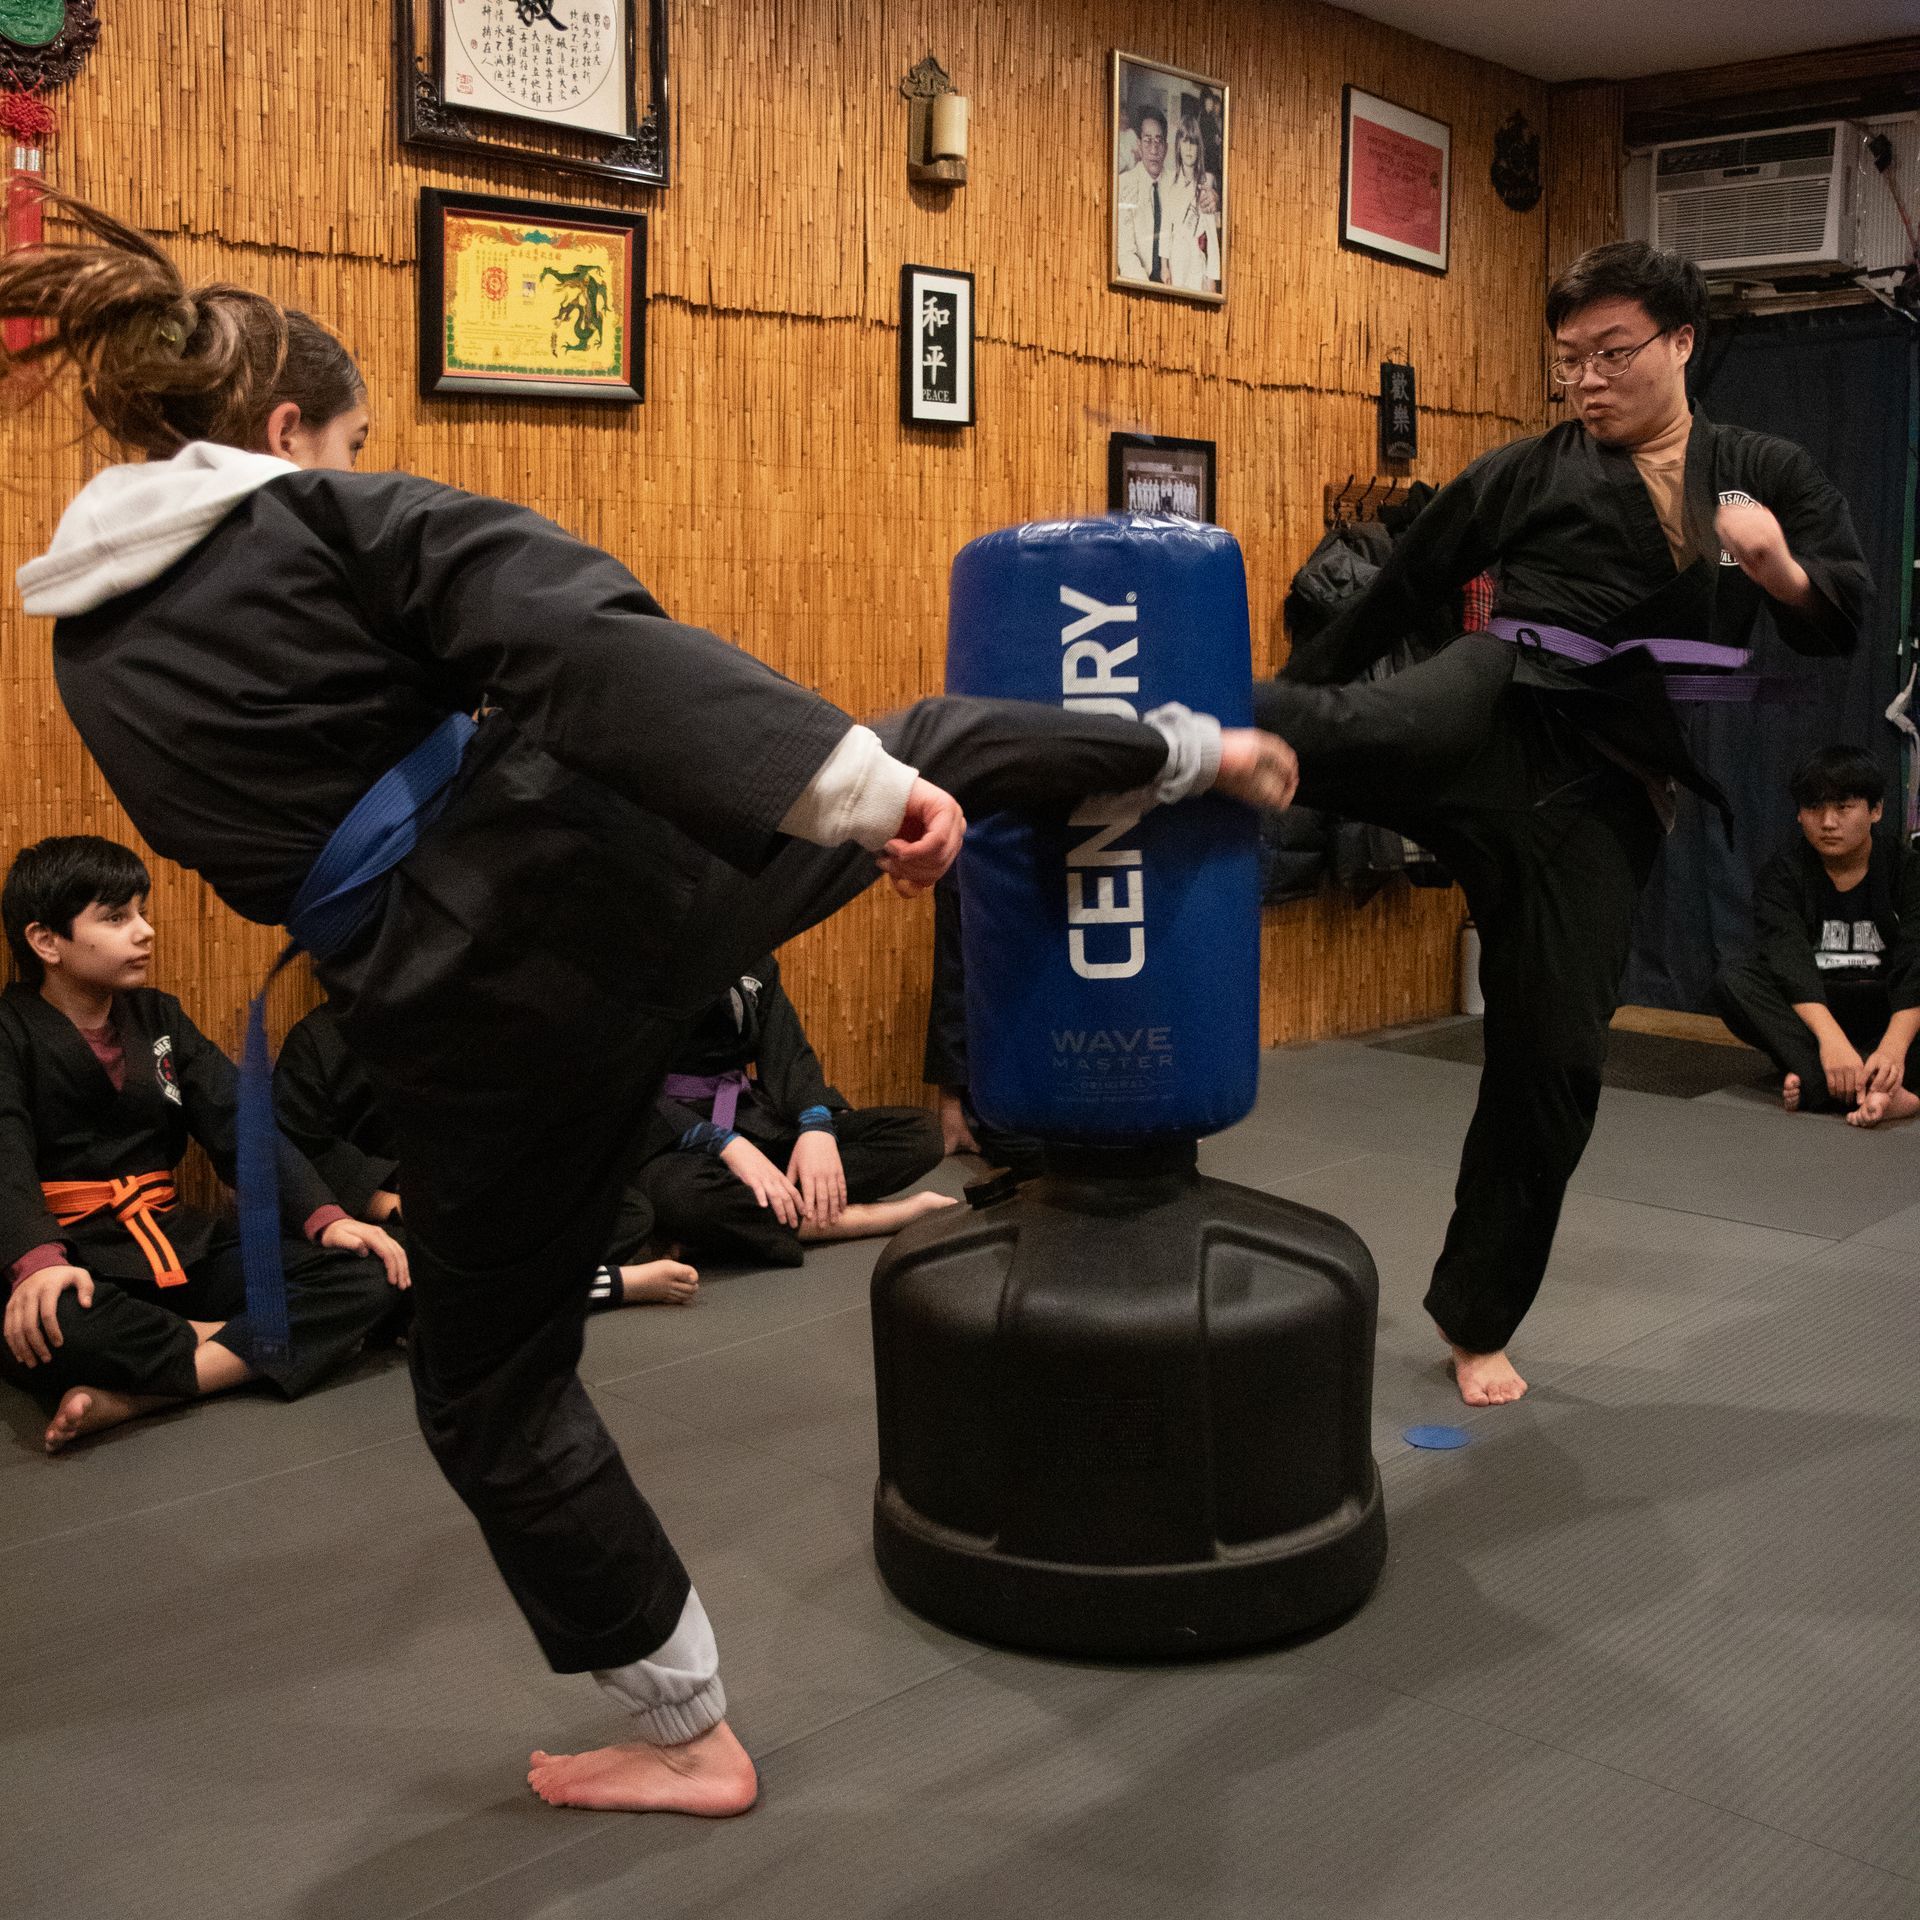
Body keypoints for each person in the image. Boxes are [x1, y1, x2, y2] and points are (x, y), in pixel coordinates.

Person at [2, 193, 1297, 1818]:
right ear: (279, 433)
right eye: (344, 438)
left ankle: (688, 1730)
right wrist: (853, 784)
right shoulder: (327, 525)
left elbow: (283, 818)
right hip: (613, 867)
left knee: (492, 1394)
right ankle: (1197, 751)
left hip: (467, 1004)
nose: (349, 460)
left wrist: (840, 792)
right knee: (929, 732)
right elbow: (575, 628)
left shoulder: (90, 643)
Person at [1257, 240, 1870, 1409]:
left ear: (1683, 342)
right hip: (1500, 699)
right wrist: (1297, 691)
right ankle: (1176, 736)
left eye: (1612, 354)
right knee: (1362, 725)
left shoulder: (1753, 473)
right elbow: (1399, 590)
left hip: (1607, 793)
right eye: (1568, 361)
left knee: (1555, 1065)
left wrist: (1780, 569)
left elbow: (1839, 615)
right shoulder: (1526, 472)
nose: (1587, 381)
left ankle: (1476, 1317)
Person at [0, 836, 409, 1452]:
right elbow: (3, 1150)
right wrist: (36, 1263)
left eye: (142, 911)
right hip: (76, 1258)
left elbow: (239, 1124)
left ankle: (139, 1394)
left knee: (368, 1271)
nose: (145, 932)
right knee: (55, 1325)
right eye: (116, 918)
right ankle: (242, 1345)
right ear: (45, 941)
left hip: (174, 1239)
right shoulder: (10, 1031)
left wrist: (326, 1220)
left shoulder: (160, 1019)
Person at [274, 995, 699, 1305]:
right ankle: (610, 1285)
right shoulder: (315, 1042)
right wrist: (389, 1203)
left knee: (625, 1211)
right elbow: (301, 1151)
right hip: (391, 1217)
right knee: (400, 1270)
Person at [636, 951, 952, 1263]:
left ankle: (735, 1227)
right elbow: (622, 1085)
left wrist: (815, 1125)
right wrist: (723, 1144)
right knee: (681, 1197)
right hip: (667, 1138)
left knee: (920, 1133)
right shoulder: (633, 967)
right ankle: (862, 1220)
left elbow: (788, 1054)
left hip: (747, 1116)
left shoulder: (754, 958)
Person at [1713, 745, 1920, 1127]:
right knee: (1734, 980)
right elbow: (1787, 961)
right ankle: (1874, 1089)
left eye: (1843, 808)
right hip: (1818, 1014)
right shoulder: (1782, 876)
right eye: (1814, 809)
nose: (1827, 822)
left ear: (1875, 811)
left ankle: (1823, 1085)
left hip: (1891, 1010)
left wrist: (1893, 1047)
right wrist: (1832, 1042)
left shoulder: (1907, 871)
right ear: (1799, 814)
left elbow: (1916, 964)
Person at [1116, 105, 1175, 286]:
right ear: (1139, 145)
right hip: (1139, 281)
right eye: (1148, 141)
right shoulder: (1125, 183)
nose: (1154, 149)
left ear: (1165, 147)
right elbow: (1125, 252)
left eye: (1159, 141)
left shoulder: (1176, 182)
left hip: (1173, 282)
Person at [1166, 113, 1220, 295]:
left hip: (1196, 267)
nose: (1189, 148)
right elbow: (1166, 229)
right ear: (1178, 146)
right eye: (1185, 141)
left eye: (1194, 142)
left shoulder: (1205, 185)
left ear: (1199, 148)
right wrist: (1165, 266)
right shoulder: (1170, 184)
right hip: (1175, 263)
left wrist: (1211, 278)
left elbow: (1212, 239)